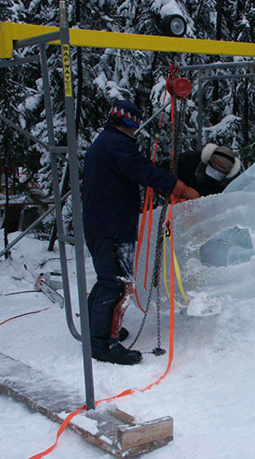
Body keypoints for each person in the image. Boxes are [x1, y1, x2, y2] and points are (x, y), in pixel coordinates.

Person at [82, 100, 199, 365]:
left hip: (101, 224)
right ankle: (103, 344)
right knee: (117, 284)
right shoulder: (117, 144)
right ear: (130, 123)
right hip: (111, 225)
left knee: (107, 280)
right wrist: (179, 188)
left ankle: (97, 331)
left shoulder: (105, 143)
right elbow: (142, 170)